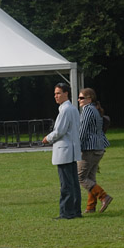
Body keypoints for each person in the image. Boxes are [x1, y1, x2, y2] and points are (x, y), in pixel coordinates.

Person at [42, 82, 81, 219]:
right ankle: (76, 210)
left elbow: (59, 131)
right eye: (55, 94)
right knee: (74, 183)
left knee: (66, 184)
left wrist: (47, 138)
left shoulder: (65, 110)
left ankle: (66, 212)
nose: (56, 96)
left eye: (58, 93)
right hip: (72, 150)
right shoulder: (73, 109)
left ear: (66, 93)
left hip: (65, 151)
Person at [77, 88, 113, 213]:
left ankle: (104, 196)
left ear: (89, 99)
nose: (79, 100)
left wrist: (77, 146)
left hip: (89, 149)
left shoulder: (87, 110)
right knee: (90, 178)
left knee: (80, 178)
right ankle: (91, 206)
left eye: (81, 98)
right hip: (99, 148)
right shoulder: (95, 110)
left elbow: (83, 131)